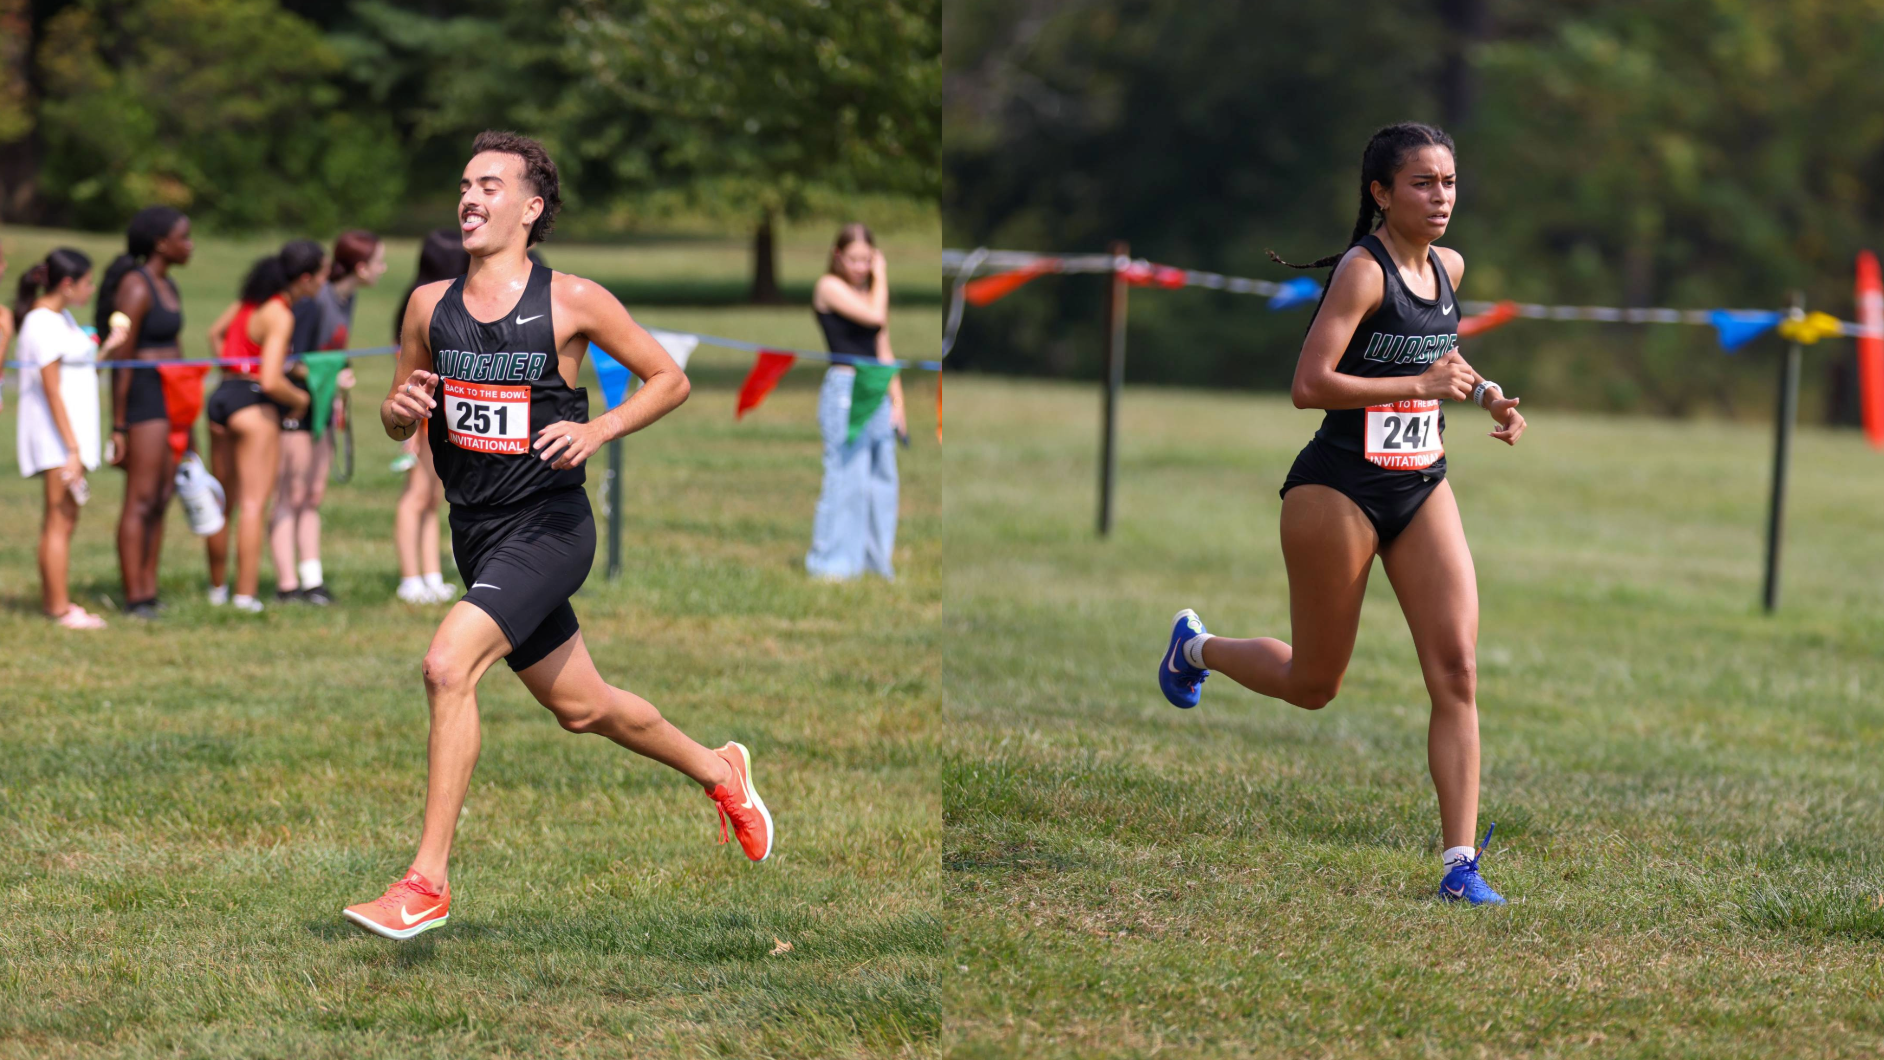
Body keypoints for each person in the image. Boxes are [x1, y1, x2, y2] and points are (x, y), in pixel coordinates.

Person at [342, 131, 773, 940]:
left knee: (446, 665)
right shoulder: (427, 306)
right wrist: (398, 411)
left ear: (531, 208)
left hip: (549, 527)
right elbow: (398, 409)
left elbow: (669, 379)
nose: (470, 198)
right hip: (476, 532)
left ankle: (425, 883)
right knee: (582, 708)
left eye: (490, 186)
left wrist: (598, 430)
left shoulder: (573, 299)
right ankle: (722, 771)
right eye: (465, 186)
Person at [1157, 123, 1527, 906]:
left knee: (1456, 668)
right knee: (1314, 683)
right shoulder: (1363, 271)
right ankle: (1198, 649)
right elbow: (1309, 383)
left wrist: (1487, 394)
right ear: (1381, 194)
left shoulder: (1450, 267)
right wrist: (1415, 391)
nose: (1441, 198)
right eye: (1423, 184)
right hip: (1338, 488)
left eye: (1450, 183)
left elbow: (1437, 356)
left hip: (1422, 481)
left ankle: (1460, 865)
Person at [200, 242, 321, 613]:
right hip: (254, 407)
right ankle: (245, 596)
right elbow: (271, 381)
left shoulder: (246, 304)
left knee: (224, 501)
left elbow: (214, 334)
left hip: (222, 398)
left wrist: (234, 368)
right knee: (253, 505)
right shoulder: (279, 314)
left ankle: (218, 588)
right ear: (303, 279)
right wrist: (300, 400)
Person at [271, 231, 387, 604]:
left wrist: (339, 377)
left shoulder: (345, 297)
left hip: (322, 406)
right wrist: (330, 378)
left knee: (313, 494)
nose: (384, 269)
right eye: (379, 261)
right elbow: (291, 361)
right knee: (290, 494)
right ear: (360, 266)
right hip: (296, 407)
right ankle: (287, 586)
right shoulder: (315, 302)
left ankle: (312, 581)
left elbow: (332, 352)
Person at [15, 248, 128, 629]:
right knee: (58, 519)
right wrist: (72, 448)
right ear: (67, 284)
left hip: (67, 438)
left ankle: (58, 602)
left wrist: (110, 345)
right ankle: (58, 608)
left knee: (67, 517)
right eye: (87, 282)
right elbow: (51, 390)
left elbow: (78, 372)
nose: (91, 289)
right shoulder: (41, 323)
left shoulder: (61, 318)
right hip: (57, 440)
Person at [97, 206, 193, 618]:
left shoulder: (167, 284)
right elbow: (122, 359)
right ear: (160, 243)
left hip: (173, 393)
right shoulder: (136, 286)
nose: (189, 245)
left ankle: (149, 587)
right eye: (183, 237)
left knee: (161, 496)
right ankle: (133, 594)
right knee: (140, 497)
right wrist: (119, 425)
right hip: (145, 395)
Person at [805, 223, 904, 580]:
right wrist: (882, 276)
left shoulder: (871, 292)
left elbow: (883, 346)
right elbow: (876, 317)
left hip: (877, 387)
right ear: (837, 256)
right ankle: (830, 565)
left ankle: (875, 564)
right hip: (846, 389)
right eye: (854, 259)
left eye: (867, 260)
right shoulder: (829, 287)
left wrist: (898, 401)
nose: (861, 267)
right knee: (848, 477)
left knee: (882, 479)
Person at [389, 229, 471, 604]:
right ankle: (410, 577)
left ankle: (431, 573)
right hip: (420, 414)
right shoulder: (422, 303)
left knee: (434, 496)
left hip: (442, 414)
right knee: (415, 495)